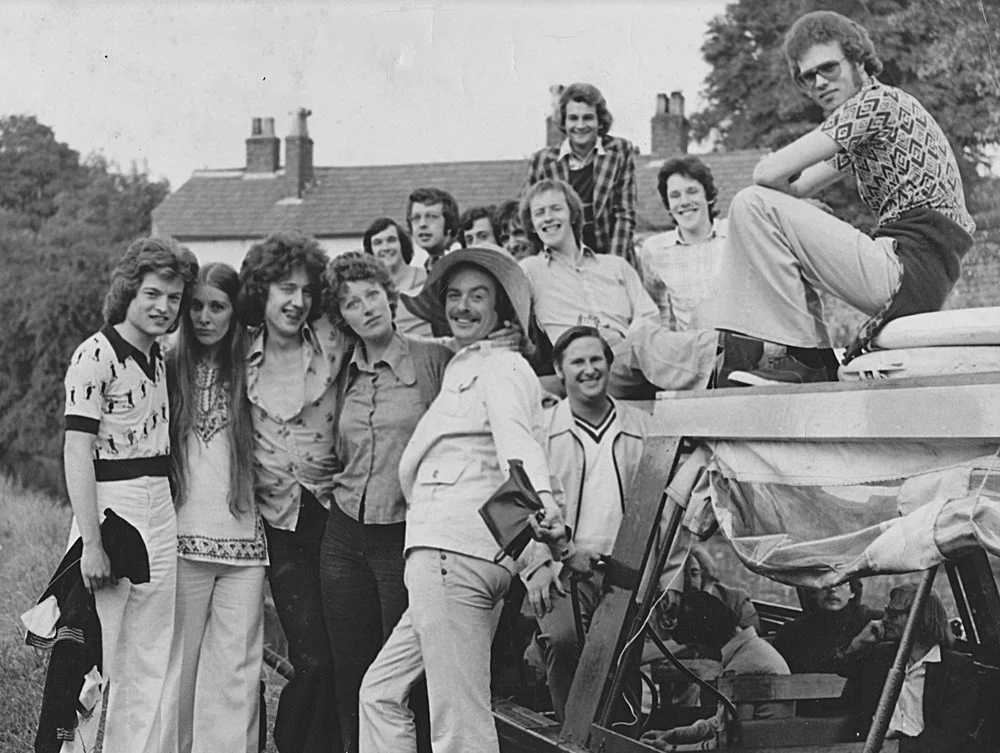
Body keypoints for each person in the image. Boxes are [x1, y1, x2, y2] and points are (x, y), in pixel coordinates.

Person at [358, 247, 572, 753]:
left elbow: (516, 449)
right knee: (380, 693)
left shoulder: (499, 366)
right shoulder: (466, 364)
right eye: (453, 295)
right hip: (456, 555)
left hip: (452, 556)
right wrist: (534, 556)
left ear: (501, 311)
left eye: (479, 296)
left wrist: (543, 511)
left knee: (460, 722)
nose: (463, 306)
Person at [708, 10, 976, 386]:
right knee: (763, 211)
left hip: (908, 270)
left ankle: (804, 356)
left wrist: (791, 209)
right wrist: (797, 210)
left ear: (859, 61)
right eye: (807, 77)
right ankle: (801, 355)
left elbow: (766, 175)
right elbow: (795, 187)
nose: (818, 83)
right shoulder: (861, 133)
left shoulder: (875, 105)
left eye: (828, 68)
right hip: (915, 273)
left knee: (750, 203)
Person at [62, 237, 196, 752]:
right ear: (129, 292)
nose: (164, 306)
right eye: (153, 294)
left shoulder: (157, 355)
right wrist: (91, 544)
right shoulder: (95, 354)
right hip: (111, 504)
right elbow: (77, 452)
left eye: (174, 298)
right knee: (95, 653)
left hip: (159, 504)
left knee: (150, 652)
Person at [319, 252, 454, 753]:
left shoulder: (432, 360)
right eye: (351, 303)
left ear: (390, 295)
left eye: (372, 294)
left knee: (404, 674)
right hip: (343, 536)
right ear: (344, 318)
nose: (366, 308)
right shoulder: (339, 373)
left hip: (405, 537)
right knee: (350, 667)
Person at [238, 232, 344, 753]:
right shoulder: (239, 354)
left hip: (338, 519)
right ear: (263, 290)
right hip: (278, 527)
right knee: (313, 658)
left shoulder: (331, 340)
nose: (296, 301)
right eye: (285, 288)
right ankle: (294, 743)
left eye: (305, 290)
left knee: (347, 652)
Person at [161, 262, 268, 753]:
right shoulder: (165, 362)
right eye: (196, 306)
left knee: (236, 674)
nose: (205, 317)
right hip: (181, 540)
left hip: (244, 545)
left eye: (217, 307)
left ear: (235, 311)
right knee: (174, 668)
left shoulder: (255, 364)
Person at [522, 325, 651, 720]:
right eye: (577, 361)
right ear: (560, 371)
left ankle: (620, 743)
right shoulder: (541, 431)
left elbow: (665, 506)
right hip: (562, 568)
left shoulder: (641, 426)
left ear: (609, 365)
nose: (589, 369)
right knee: (563, 642)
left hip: (625, 568)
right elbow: (519, 505)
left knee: (620, 657)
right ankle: (571, 738)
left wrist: (668, 575)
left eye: (596, 359)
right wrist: (538, 566)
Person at [520, 178, 717, 398]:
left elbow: (649, 317)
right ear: (531, 224)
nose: (548, 217)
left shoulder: (616, 266)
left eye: (556, 208)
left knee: (667, 331)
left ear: (573, 215)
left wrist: (626, 341)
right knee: (647, 341)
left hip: (632, 356)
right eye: (539, 213)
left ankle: (731, 355)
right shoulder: (529, 271)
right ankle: (722, 371)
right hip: (588, 364)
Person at [641, 592, 793, 751]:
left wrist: (671, 749)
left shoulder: (740, 669)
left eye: (695, 645)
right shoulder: (754, 650)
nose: (699, 653)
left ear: (706, 639)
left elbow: (724, 744)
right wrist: (675, 735)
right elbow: (722, 723)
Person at [837, 585, 980, 751]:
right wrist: (857, 643)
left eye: (893, 614)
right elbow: (838, 674)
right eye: (886, 611)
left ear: (920, 619)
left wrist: (900, 749)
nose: (885, 619)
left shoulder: (955, 668)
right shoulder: (880, 656)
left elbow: (952, 732)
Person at [526, 82, 637, 266]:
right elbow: (531, 218)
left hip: (610, 257)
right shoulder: (543, 161)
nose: (580, 125)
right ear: (563, 121)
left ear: (600, 121)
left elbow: (624, 214)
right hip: (562, 263)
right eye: (573, 118)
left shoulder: (619, 151)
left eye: (587, 118)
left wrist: (613, 266)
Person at [640, 156, 728, 331]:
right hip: (693, 351)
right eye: (675, 195)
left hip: (741, 348)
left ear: (708, 196)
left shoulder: (734, 234)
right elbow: (657, 311)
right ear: (668, 204)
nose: (684, 202)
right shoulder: (655, 250)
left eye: (692, 191)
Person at [774, 580, 879, 674]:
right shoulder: (791, 632)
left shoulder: (871, 620)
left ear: (853, 591)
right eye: (824, 582)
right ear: (813, 591)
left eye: (841, 582)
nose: (832, 589)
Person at [362, 217, 431, 338]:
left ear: (402, 244)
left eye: (391, 240)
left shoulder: (428, 279)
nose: (385, 247)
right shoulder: (370, 289)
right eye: (378, 243)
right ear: (370, 251)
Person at [406, 187, 460, 272]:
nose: (422, 224)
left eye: (431, 216)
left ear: (449, 222)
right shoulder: (419, 267)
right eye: (416, 218)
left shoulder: (462, 263)